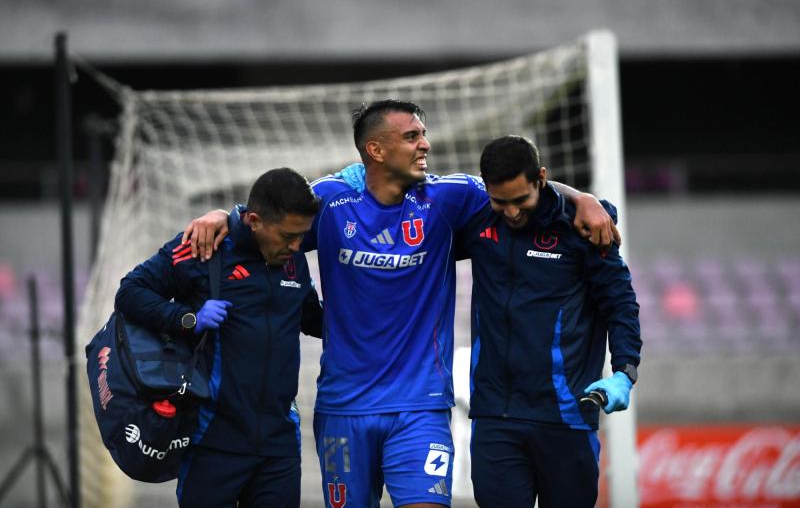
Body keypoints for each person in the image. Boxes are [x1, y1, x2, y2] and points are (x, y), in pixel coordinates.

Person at [183, 100, 620, 508]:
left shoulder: (449, 198)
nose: (425, 143)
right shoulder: (332, 200)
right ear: (375, 149)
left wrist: (580, 198)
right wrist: (225, 215)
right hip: (343, 406)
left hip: (421, 406)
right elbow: (271, 223)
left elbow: (524, 189)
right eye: (412, 136)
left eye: (422, 134)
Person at [115, 168, 324, 507]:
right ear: (254, 221)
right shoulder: (204, 247)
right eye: (288, 236)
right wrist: (187, 319)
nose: (297, 246)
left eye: (302, 236)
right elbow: (130, 292)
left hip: (279, 444)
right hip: (213, 439)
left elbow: (313, 320)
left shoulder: (293, 261)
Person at [456, 135, 642, 507]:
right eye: (500, 202)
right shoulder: (477, 220)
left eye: (520, 200)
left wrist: (625, 371)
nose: (511, 212)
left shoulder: (583, 228)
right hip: (496, 417)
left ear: (541, 178)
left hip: (566, 415)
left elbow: (620, 303)